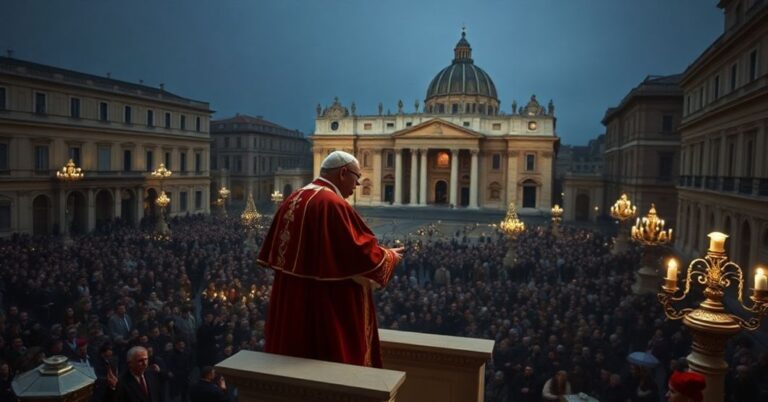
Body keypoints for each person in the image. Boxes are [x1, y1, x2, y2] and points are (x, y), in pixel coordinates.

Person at [258, 150, 404, 367]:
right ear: (343, 173)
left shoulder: (293, 197)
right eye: (356, 177)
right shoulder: (331, 203)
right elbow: (359, 253)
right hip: (325, 303)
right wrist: (390, 256)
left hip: (292, 300)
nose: (357, 185)